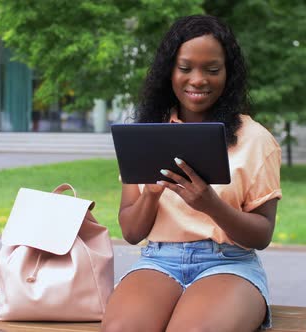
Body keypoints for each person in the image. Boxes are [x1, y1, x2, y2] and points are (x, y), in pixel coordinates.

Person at [101, 15, 282, 332]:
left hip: (229, 263)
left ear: (228, 74)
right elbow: (131, 232)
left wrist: (210, 204)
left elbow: (262, 234)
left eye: (212, 70)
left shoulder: (255, 139)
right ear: (169, 72)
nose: (198, 79)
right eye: (185, 68)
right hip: (159, 260)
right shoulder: (146, 136)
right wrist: (153, 195)